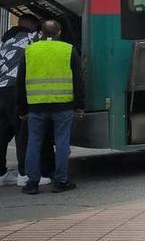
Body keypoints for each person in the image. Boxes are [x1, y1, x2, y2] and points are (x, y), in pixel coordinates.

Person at [17, 20, 84, 194]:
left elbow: (20, 82)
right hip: (63, 106)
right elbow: (79, 80)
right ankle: (61, 181)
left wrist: (23, 109)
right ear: (59, 32)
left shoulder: (29, 51)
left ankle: (32, 183)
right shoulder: (68, 50)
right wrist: (79, 105)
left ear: (41, 33)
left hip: (36, 107)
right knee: (62, 142)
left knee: (34, 143)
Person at [0, 14, 53, 187]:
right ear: (31, 25)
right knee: (23, 133)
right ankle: (25, 174)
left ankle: (1, 174)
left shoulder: (5, 41)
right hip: (16, 88)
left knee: (1, 134)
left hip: (0, 88)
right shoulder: (32, 37)